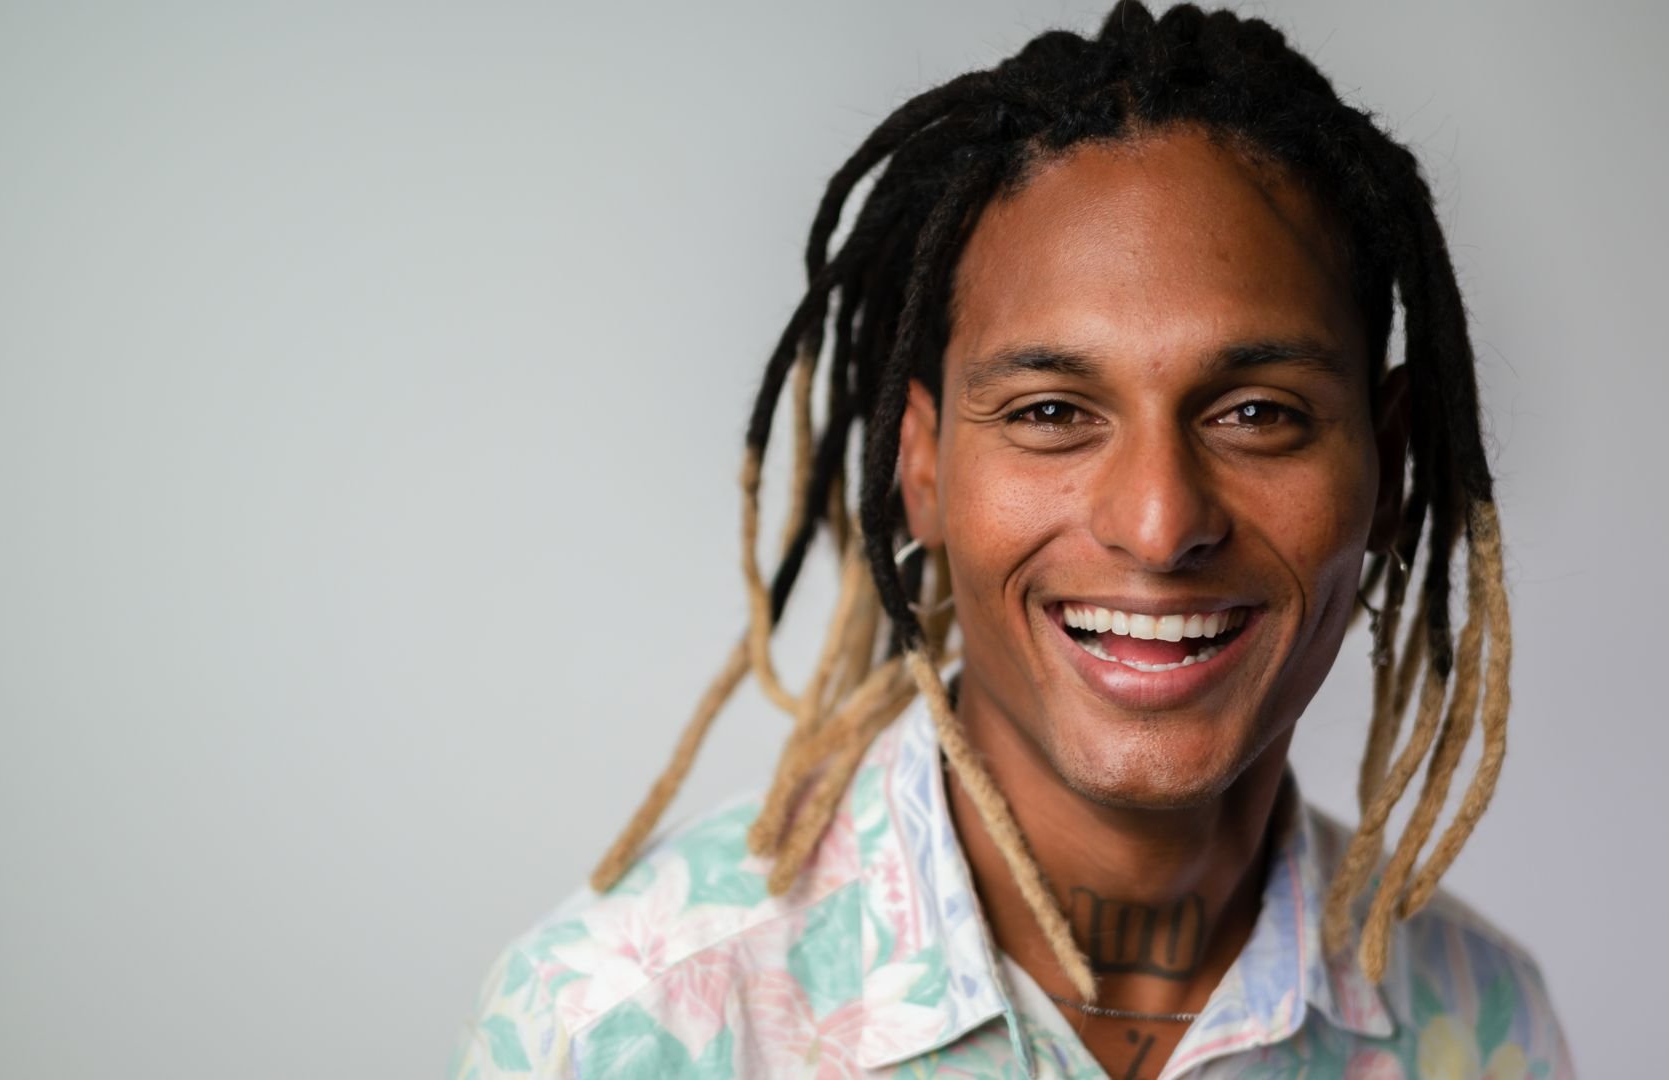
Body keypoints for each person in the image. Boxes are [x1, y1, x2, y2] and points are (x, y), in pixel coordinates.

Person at [451, 3, 1574, 1076]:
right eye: (1049, 413)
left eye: (1257, 414)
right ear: (923, 466)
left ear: (1386, 468)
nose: (1158, 522)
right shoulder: (626, 1024)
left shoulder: (1479, 1027)